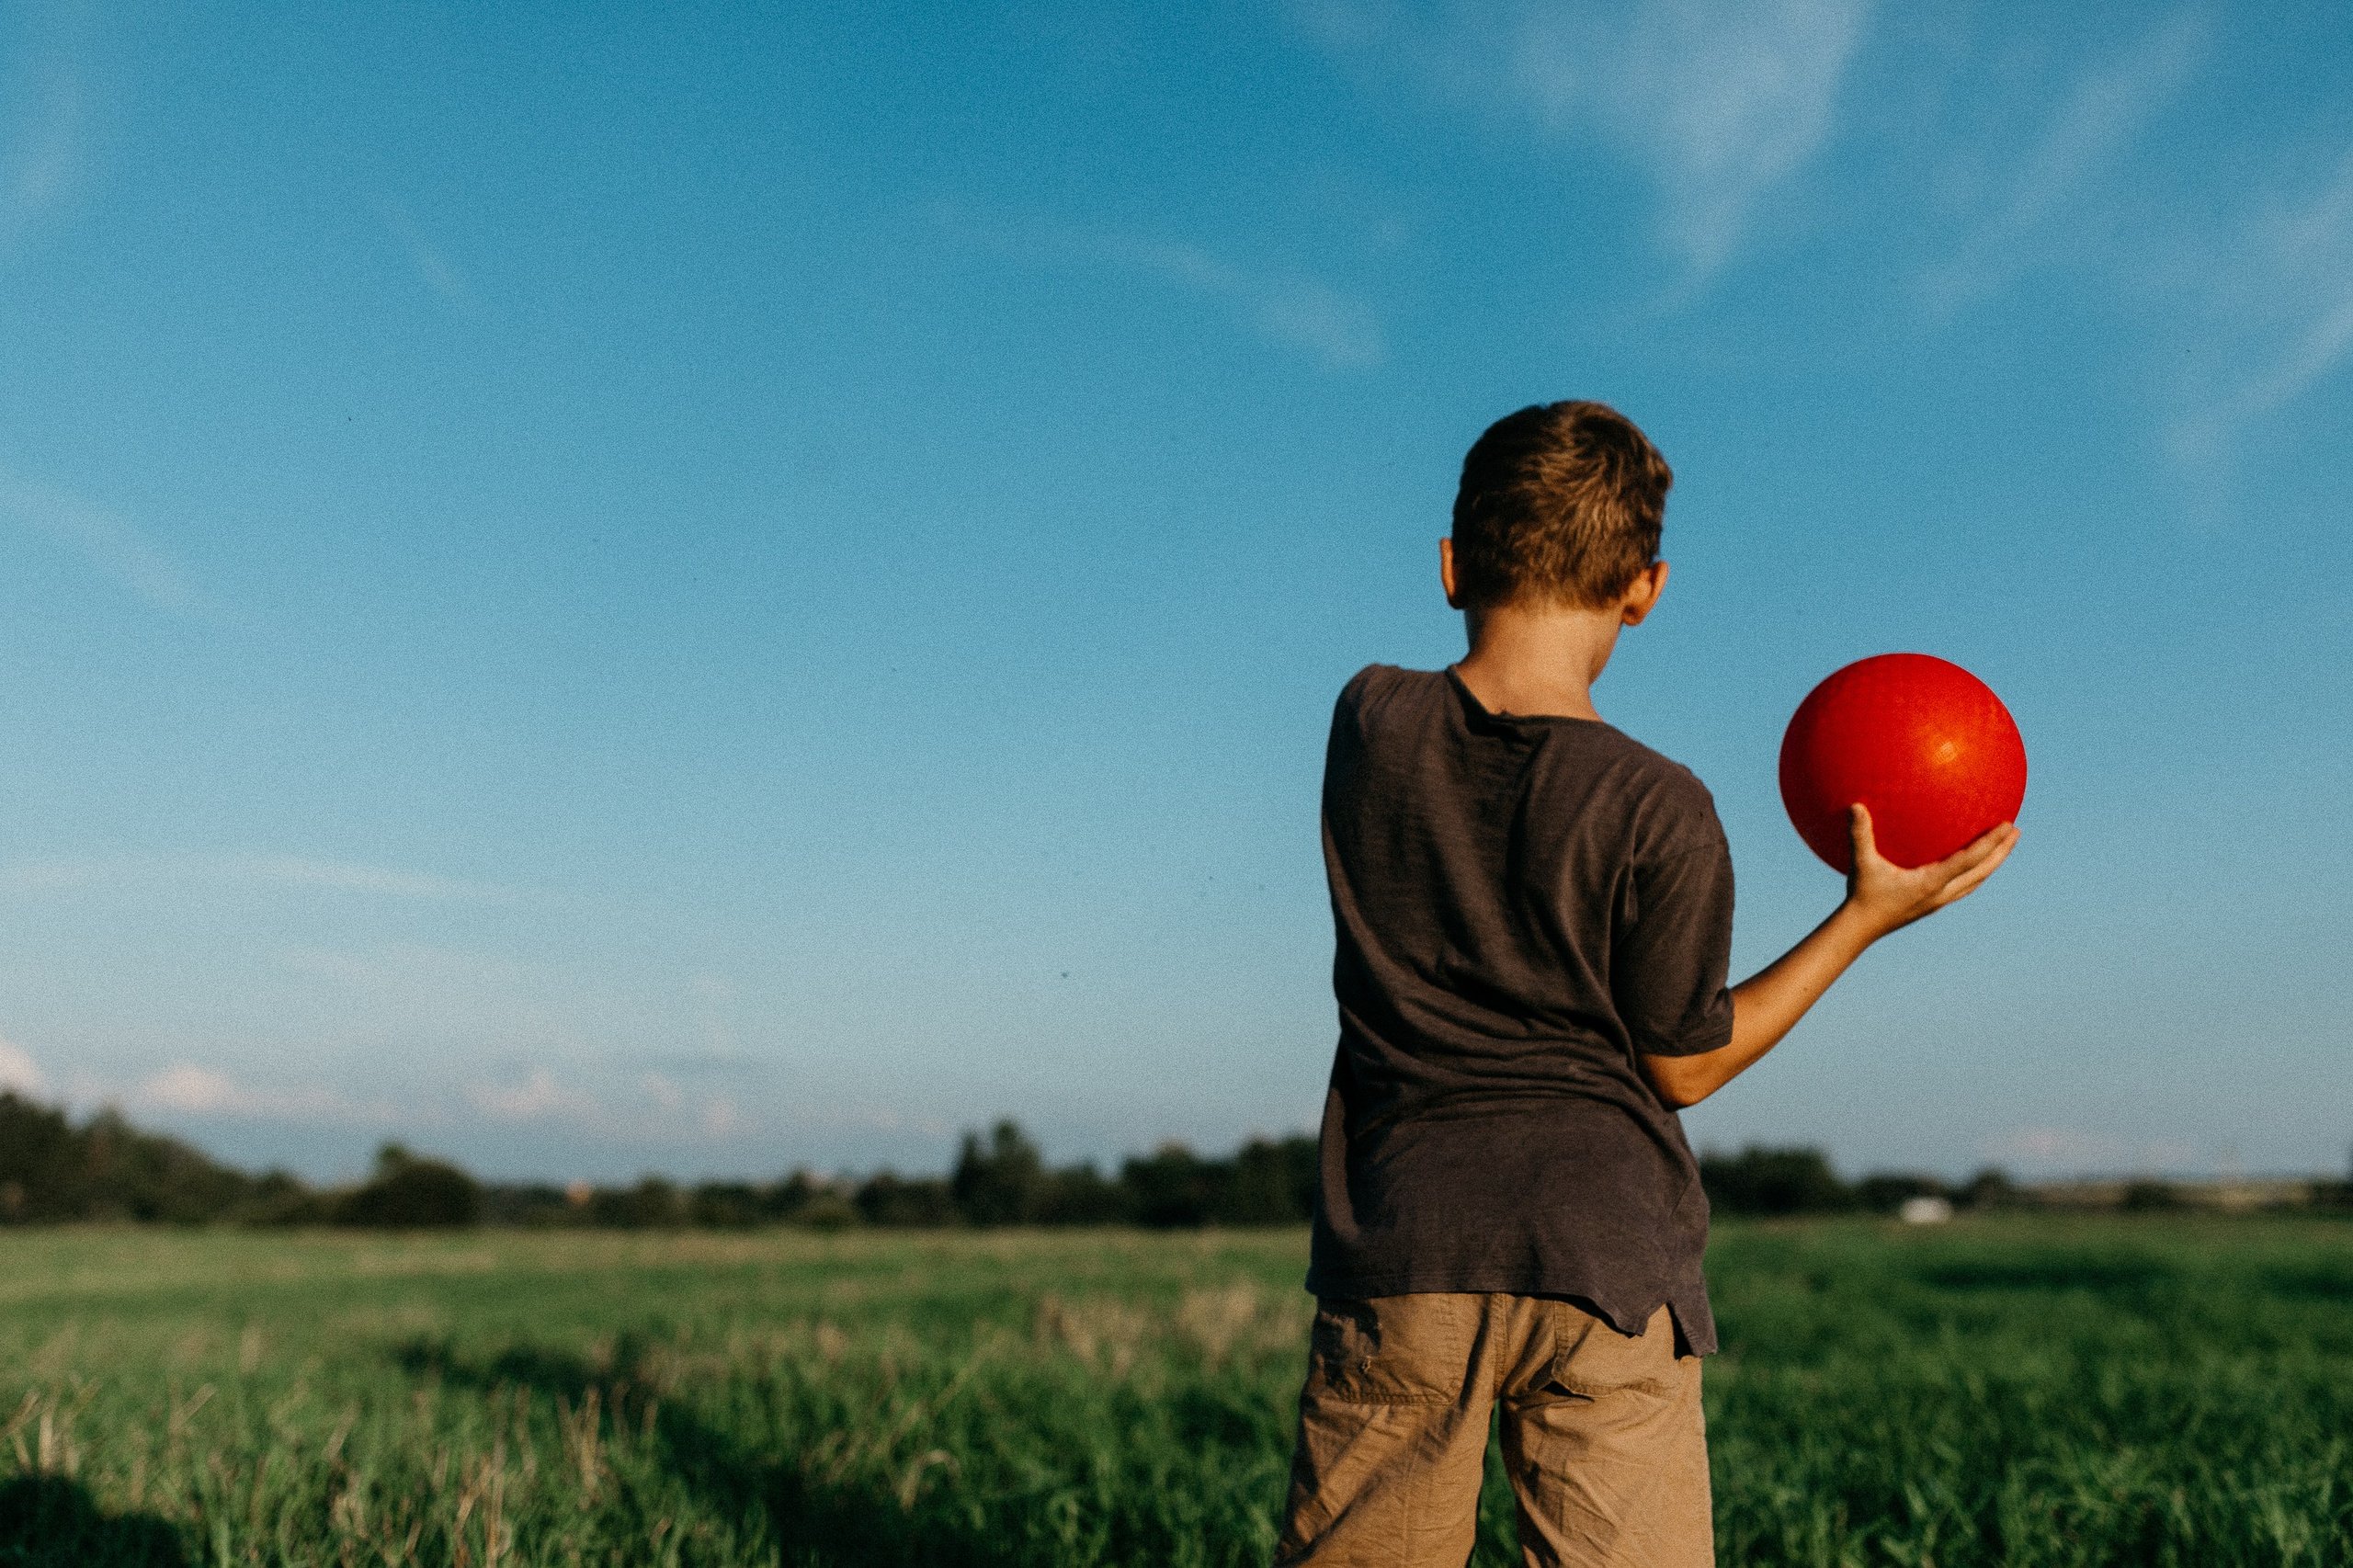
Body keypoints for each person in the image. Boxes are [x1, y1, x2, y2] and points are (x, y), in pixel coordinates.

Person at [1275, 402, 2018, 1568]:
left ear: (1451, 565)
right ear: (1645, 588)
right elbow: (1683, 1061)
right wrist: (1862, 918)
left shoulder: (1369, 718)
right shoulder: (1662, 805)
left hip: (1408, 1248)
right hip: (1607, 1259)